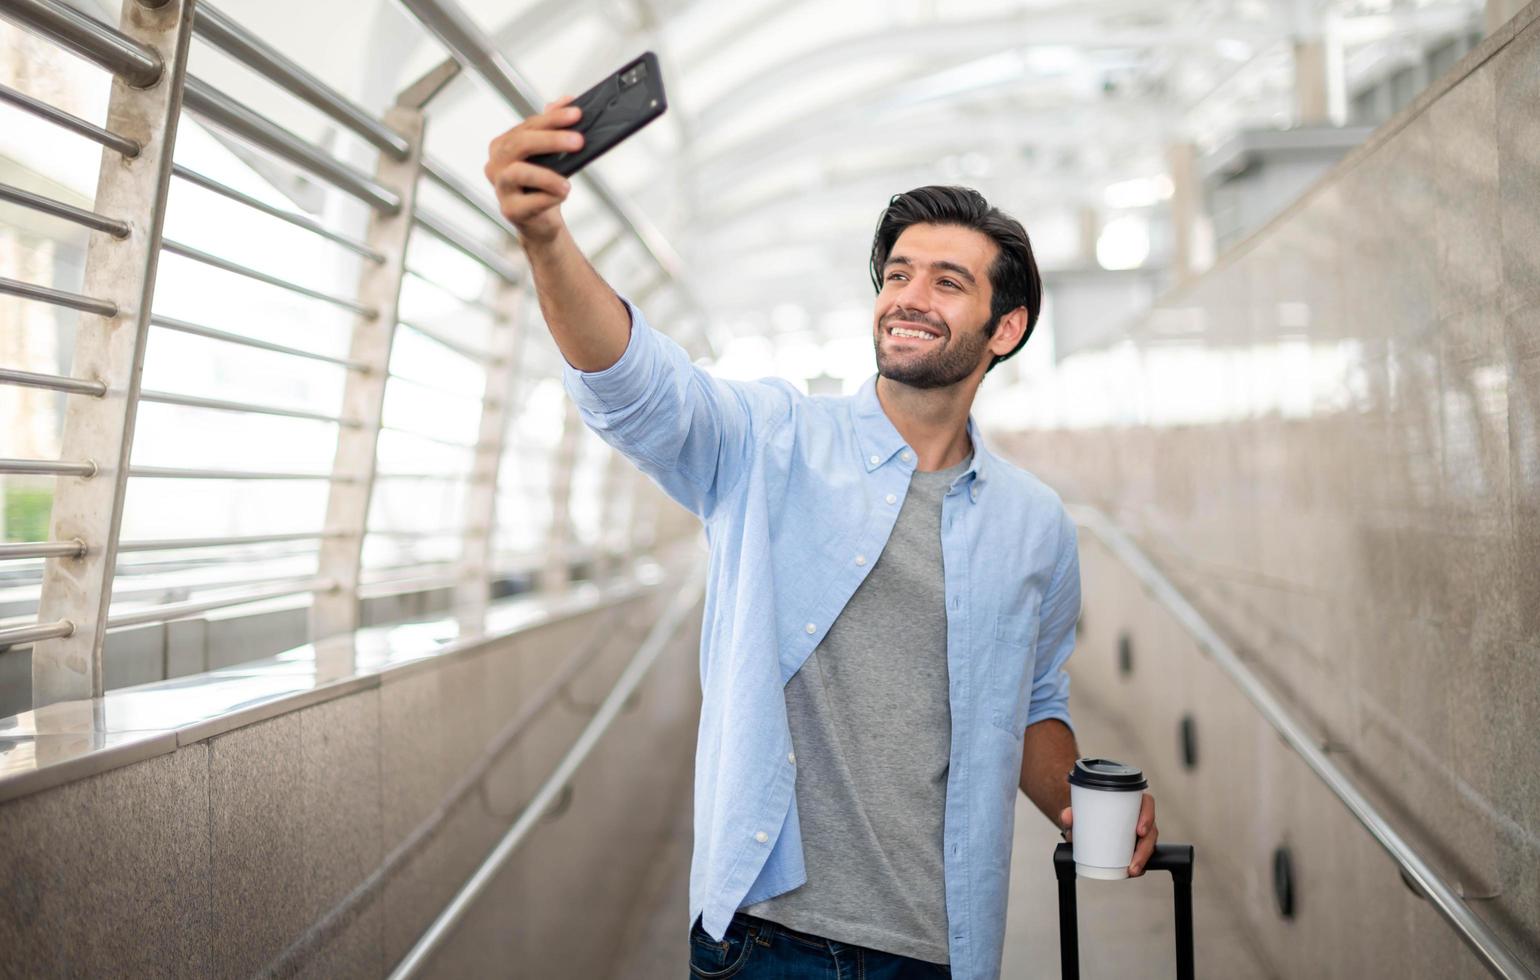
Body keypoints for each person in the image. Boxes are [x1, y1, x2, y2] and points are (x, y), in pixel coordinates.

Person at [484, 97, 1158, 980]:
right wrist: (546, 240)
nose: (909, 298)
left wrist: (1084, 801)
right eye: (898, 275)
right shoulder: (770, 443)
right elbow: (641, 389)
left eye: (947, 282)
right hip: (764, 941)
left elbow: (1031, 702)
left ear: (1007, 329)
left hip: (937, 947)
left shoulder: (1034, 524)